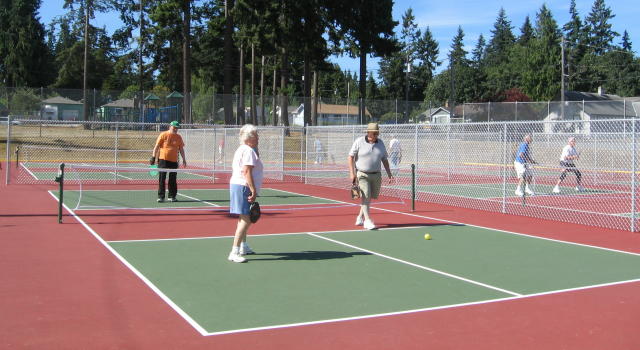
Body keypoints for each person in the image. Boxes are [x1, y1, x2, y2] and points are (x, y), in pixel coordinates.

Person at [228, 124, 264, 263]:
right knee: (245, 219)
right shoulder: (248, 150)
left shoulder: (244, 149)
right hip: (243, 186)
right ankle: (234, 251)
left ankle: (243, 246)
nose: (258, 137)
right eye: (256, 135)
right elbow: (246, 171)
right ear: (249, 138)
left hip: (239, 185)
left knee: (244, 217)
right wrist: (253, 189)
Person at [348, 123, 393, 230]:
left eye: (377, 133)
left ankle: (359, 217)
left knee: (368, 198)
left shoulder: (380, 143)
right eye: (374, 133)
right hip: (362, 174)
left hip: (376, 174)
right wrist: (352, 173)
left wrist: (389, 174)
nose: (376, 135)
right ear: (368, 132)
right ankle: (367, 221)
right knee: (366, 196)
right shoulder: (359, 141)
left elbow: (384, 159)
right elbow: (350, 157)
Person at [152, 120, 186, 202]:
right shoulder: (163, 135)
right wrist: (153, 157)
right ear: (170, 127)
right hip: (163, 160)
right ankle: (161, 197)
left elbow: (181, 149)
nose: (175, 129)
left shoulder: (179, 137)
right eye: (174, 127)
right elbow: (156, 146)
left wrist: (184, 159)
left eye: (177, 128)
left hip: (173, 161)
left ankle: (172, 196)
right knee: (162, 178)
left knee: (173, 179)